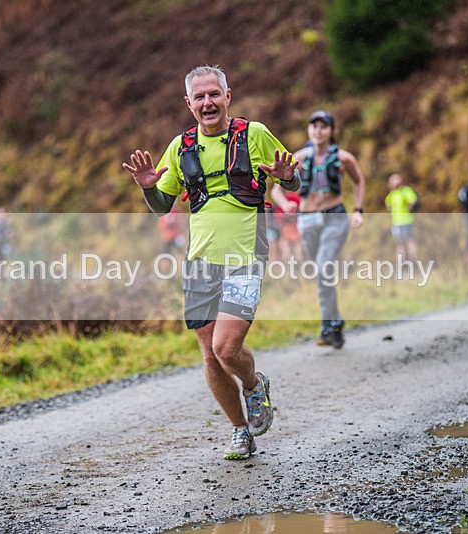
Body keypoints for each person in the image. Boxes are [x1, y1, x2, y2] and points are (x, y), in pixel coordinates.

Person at [122, 65, 300, 461]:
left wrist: (288, 179)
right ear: (189, 104)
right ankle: (240, 431)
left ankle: (254, 385)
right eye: (199, 97)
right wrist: (149, 189)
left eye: (213, 95)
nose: (207, 103)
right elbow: (161, 207)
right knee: (209, 353)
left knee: (226, 347)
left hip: (245, 257)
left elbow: (292, 180)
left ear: (227, 96)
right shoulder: (180, 146)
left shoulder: (253, 134)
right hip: (200, 261)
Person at [271, 110, 365, 349]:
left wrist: (358, 210)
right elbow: (276, 189)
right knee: (321, 273)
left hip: (335, 217)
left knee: (324, 267)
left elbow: (359, 181)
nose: (318, 130)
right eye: (314, 126)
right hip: (307, 219)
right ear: (308, 130)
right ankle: (335, 323)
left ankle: (328, 324)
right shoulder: (298, 158)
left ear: (332, 131)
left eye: (323, 126)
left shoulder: (344, 158)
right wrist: (285, 205)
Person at [384, 173, 419, 262]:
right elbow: (388, 204)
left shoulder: (405, 191)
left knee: (408, 242)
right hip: (396, 222)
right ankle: (402, 266)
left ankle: (413, 264)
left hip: (405, 221)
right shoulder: (393, 193)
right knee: (400, 244)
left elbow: (413, 202)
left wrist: (409, 208)